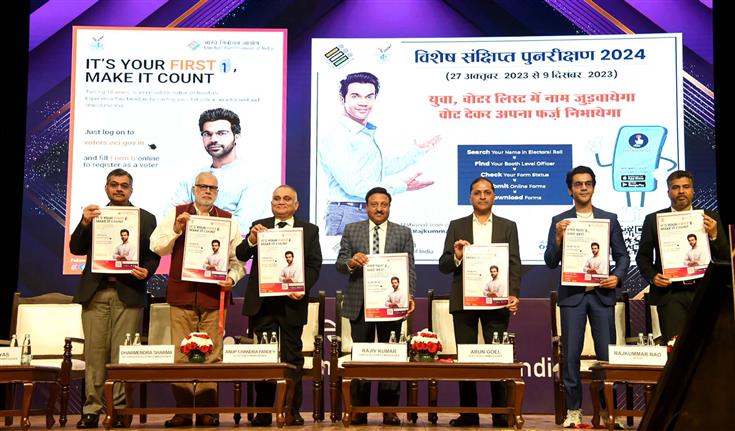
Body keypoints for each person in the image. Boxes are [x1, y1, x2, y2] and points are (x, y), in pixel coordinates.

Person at [150, 172, 245, 428]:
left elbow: (238, 262)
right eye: (203, 186)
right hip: (182, 294)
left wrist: (233, 279)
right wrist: (176, 230)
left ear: (217, 192)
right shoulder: (177, 213)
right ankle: (182, 411)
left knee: (211, 354)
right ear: (194, 189)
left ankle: (207, 411)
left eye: (212, 188)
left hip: (214, 295)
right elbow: (156, 247)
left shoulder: (228, 220)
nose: (207, 191)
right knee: (183, 353)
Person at [69, 168, 160, 429]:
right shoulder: (94, 215)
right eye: (114, 185)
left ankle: (119, 411)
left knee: (123, 356)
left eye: (124, 185)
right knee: (95, 354)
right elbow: (76, 248)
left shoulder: (146, 218)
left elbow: (153, 255)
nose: (119, 189)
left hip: (128, 294)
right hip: (96, 293)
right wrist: (84, 222)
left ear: (132, 190)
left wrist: (147, 271)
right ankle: (92, 410)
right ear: (106, 188)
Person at [544, 166, 630, 429]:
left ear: (593, 187)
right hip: (573, 298)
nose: (583, 188)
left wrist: (617, 276)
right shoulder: (560, 220)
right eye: (578, 184)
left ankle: (607, 412)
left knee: (606, 358)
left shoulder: (609, 219)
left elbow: (623, 255)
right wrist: (559, 238)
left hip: (602, 296)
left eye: (588, 183)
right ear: (570, 189)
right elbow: (550, 261)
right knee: (570, 357)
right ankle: (574, 411)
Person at [236, 184, 322, 427]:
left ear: (296, 205)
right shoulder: (260, 225)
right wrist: (251, 239)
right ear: (271, 203)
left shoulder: (309, 230)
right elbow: (241, 255)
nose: (281, 202)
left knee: (292, 358)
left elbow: (314, 265)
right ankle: (264, 411)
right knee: (264, 358)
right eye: (276, 198)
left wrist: (301, 287)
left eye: (287, 199)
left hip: (292, 304)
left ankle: (291, 410)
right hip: (262, 305)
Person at [438, 177, 520, 428]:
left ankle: (500, 414)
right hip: (465, 302)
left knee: (497, 358)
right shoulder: (457, 225)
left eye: (487, 192)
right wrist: (458, 256)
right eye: (477, 193)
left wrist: (513, 293)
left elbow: (514, 264)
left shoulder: (508, 226)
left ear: (494, 196)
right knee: (467, 360)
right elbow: (443, 265)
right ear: (470, 197)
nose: (482, 196)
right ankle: (469, 413)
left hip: (497, 303)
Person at [318, 72, 441, 235]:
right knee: (348, 261)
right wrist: (402, 186)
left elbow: (380, 167)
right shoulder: (337, 137)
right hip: (348, 214)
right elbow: (354, 185)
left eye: (369, 96)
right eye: (355, 96)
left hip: (366, 211)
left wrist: (417, 152)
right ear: (342, 99)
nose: (363, 103)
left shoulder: (363, 133)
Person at [336, 186, 416, 426]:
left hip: (391, 304)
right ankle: (359, 409)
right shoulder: (352, 230)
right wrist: (351, 262)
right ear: (366, 206)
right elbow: (340, 264)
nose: (379, 208)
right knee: (361, 357)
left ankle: (389, 409)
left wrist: (409, 294)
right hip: (360, 304)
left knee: (390, 358)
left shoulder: (403, 233)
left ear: (389, 206)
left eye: (384, 204)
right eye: (374, 204)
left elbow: (409, 267)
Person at [636, 170, 728, 343]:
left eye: (686, 187)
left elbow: (725, 257)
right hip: (671, 295)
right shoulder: (652, 219)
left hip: (704, 292)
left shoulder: (710, 217)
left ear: (693, 190)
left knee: (708, 347)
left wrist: (715, 235)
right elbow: (643, 257)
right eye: (675, 187)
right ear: (668, 192)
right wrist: (653, 277)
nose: (681, 191)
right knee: (675, 348)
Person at [170, 108, 270, 233]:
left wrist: (195, 217)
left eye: (221, 133)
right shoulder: (192, 177)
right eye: (207, 134)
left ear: (237, 137)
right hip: (190, 249)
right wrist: (226, 217)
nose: (213, 140)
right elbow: (172, 218)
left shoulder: (254, 178)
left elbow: (242, 227)